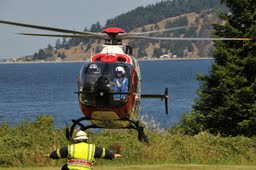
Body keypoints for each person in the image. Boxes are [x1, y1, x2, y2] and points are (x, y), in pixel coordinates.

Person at [49, 130, 121, 170]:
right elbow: (104, 153)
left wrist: (51, 155)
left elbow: (57, 153)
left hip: (70, 169)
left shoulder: (71, 147)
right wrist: (113, 155)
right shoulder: (92, 148)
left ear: (76, 140)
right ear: (86, 139)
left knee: (64, 167)